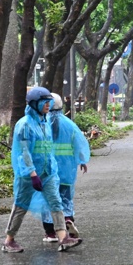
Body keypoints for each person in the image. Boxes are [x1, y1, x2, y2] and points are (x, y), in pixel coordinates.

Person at [1, 86, 81, 253]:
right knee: (21, 206)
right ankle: (9, 240)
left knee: (56, 202)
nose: (48, 105)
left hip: (48, 172)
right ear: (35, 103)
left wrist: (53, 170)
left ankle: (63, 238)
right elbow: (24, 152)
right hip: (29, 175)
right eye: (45, 102)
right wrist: (32, 173)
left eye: (49, 102)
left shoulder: (45, 123)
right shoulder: (24, 125)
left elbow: (48, 148)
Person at [38, 93, 90, 243]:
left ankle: (51, 233)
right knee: (66, 198)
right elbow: (79, 143)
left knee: (48, 201)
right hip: (67, 170)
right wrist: (82, 160)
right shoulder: (69, 124)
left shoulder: (41, 123)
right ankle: (67, 219)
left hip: (47, 171)